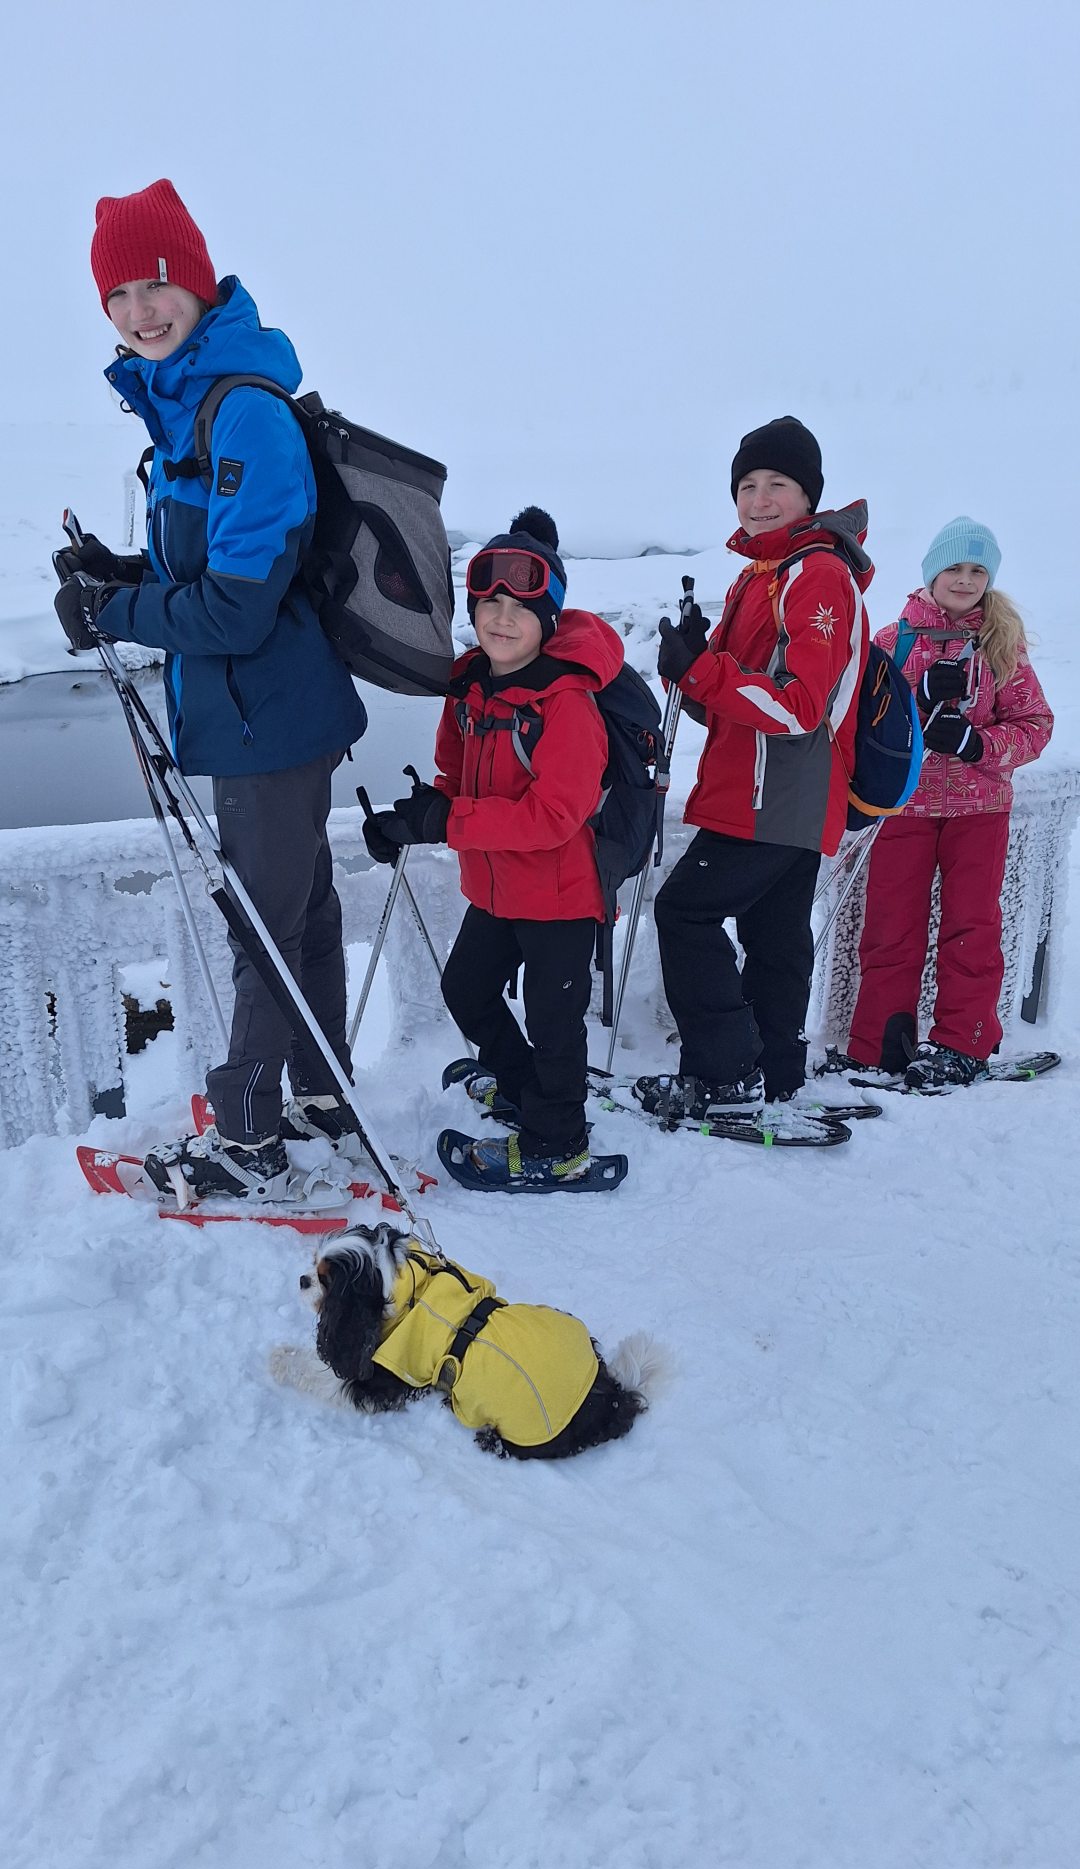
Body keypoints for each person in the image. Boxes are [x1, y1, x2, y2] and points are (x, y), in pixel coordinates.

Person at [53, 179, 367, 1199]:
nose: (139, 310)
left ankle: (249, 1140)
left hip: (266, 718)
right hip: (264, 714)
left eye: (155, 285)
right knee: (301, 911)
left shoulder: (244, 414)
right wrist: (118, 573)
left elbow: (235, 610)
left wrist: (113, 613)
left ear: (194, 282)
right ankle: (320, 1094)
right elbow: (202, 569)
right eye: (118, 296)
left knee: (263, 931)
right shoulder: (190, 404)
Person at [364, 508, 625, 1191]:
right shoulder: (470, 688)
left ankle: (559, 1143)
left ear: (548, 618)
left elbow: (555, 816)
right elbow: (454, 780)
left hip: (561, 896)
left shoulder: (567, 704)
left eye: (520, 609)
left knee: (554, 1022)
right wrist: (407, 822)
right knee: (466, 990)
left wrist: (446, 822)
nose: (502, 619)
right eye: (490, 605)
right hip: (497, 888)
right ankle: (522, 1087)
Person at [631, 415, 872, 1127]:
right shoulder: (762, 575)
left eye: (778, 485)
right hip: (776, 792)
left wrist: (705, 671)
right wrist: (692, 668)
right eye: (747, 486)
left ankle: (725, 1070)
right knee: (773, 935)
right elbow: (734, 709)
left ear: (809, 497)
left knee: (684, 910)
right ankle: (776, 1074)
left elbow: (798, 706)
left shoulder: (816, 574)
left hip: (777, 794)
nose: (760, 499)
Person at [826, 517, 1053, 1089]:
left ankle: (963, 1041)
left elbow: (1035, 724)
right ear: (932, 572)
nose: (966, 580)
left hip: (980, 809)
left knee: (972, 926)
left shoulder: (1001, 643)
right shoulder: (892, 640)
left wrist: (978, 744)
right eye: (954, 567)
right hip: (903, 808)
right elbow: (861, 718)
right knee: (890, 926)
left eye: (978, 570)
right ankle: (879, 1042)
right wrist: (920, 697)